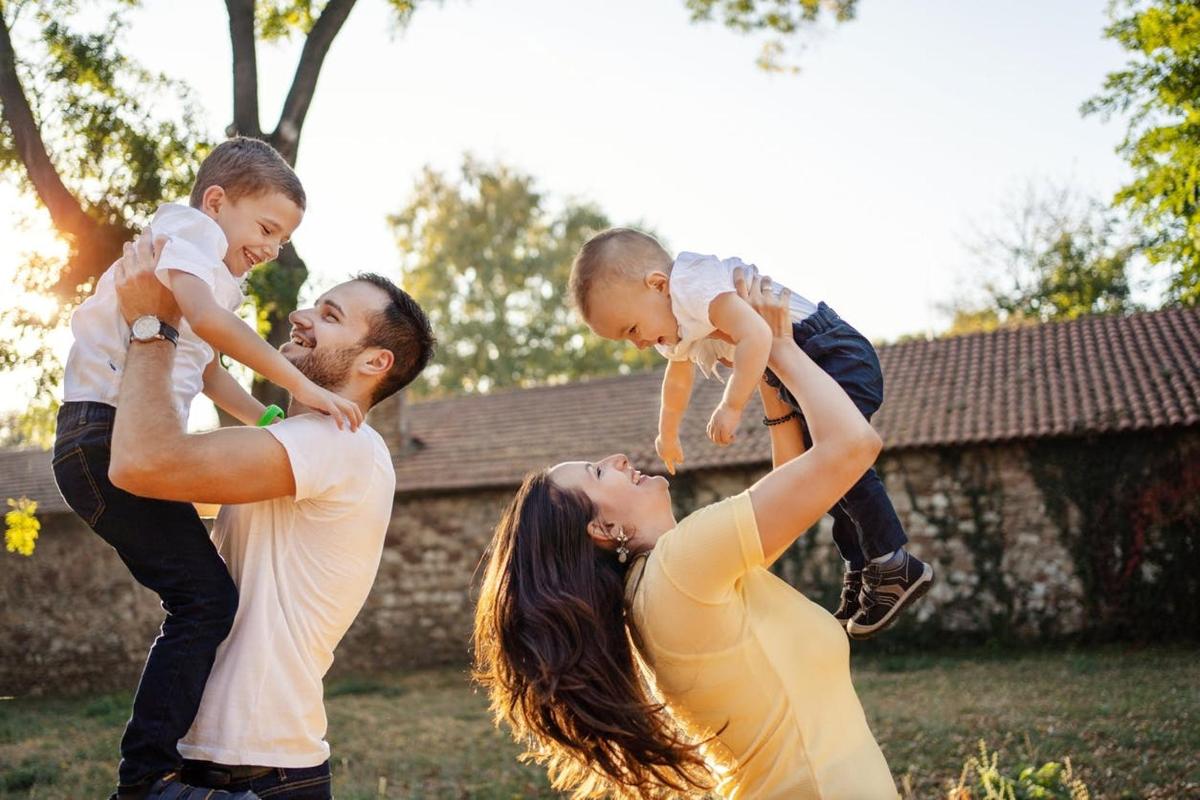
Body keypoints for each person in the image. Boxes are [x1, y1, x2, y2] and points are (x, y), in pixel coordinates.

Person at [474, 270, 898, 799]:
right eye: (598, 472)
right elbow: (852, 446)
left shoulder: (664, 587)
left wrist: (761, 361)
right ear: (604, 527)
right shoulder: (680, 568)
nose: (618, 458)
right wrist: (783, 348)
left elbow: (793, 480)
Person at [74, 231, 433, 799]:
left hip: (260, 774)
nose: (300, 313)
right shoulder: (290, 446)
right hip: (223, 762)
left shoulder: (340, 443)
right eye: (315, 303)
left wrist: (152, 327)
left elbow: (143, 462)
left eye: (330, 314)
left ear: (375, 361)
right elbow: (164, 475)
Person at [568, 227, 932, 638]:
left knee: (838, 464)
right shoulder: (677, 319)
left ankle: (891, 562)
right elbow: (678, 378)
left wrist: (732, 405)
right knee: (828, 474)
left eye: (631, 329)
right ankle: (863, 564)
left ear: (657, 284)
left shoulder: (692, 284)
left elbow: (757, 335)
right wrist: (667, 432)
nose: (636, 345)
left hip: (830, 351)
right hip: (799, 367)